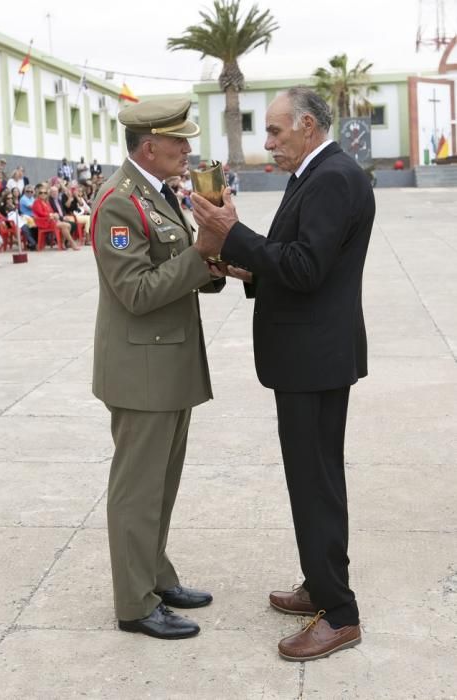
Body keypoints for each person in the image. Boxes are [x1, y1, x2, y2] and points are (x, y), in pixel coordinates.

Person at [191, 86, 375, 662]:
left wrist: (230, 231)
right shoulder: (316, 175)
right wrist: (244, 264)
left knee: (314, 481)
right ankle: (321, 586)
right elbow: (292, 258)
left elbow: (303, 267)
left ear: (307, 128)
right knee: (312, 478)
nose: (266, 143)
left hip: (312, 360)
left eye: (274, 132)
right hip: (310, 354)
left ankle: (339, 614)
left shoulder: (334, 178)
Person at [91, 97, 225, 641]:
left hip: (166, 365)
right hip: (141, 370)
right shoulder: (120, 203)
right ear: (150, 145)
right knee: (137, 490)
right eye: (179, 141)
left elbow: (180, 266)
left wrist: (216, 259)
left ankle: (155, 576)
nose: (187, 149)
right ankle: (133, 603)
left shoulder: (159, 193)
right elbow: (136, 293)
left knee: (161, 486)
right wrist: (202, 253)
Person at [33, 185, 80, 250]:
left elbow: (51, 211)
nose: (43, 194)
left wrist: (54, 214)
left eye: (45, 193)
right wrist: (51, 215)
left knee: (68, 225)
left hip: (50, 220)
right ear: (38, 194)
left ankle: (62, 243)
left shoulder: (46, 202)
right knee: (65, 225)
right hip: (44, 222)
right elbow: (40, 213)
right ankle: (72, 243)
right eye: (41, 193)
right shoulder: (37, 202)